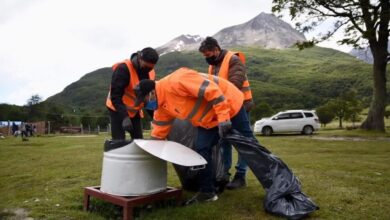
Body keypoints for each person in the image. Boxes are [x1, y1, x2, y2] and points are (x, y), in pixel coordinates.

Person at [134, 67, 257, 204]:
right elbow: (159, 130)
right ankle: (207, 192)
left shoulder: (177, 80)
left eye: (144, 101)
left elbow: (212, 90)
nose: (145, 105)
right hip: (209, 120)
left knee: (249, 144)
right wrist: (150, 150)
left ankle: (274, 181)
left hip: (230, 104)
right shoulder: (162, 106)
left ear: (151, 93)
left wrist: (224, 117)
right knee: (201, 149)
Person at [199, 37, 255, 189]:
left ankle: (241, 175)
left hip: (240, 105)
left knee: (243, 141)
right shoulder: (212, 66)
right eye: (204, 56)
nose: (207, 58)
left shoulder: (233, 60)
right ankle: (223, 174)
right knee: (224, 141)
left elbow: (234, 84)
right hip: (224, 107)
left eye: (208, 54)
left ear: (216, 49)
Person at [106, 47, 159, 140]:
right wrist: (125, 117)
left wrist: (156, 118)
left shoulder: (151, 73)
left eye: (150, 68)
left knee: (138, 140)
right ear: (139, 58)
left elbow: (149, 99)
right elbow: (115, 97)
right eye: (145, 67)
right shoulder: (123, 69)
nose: (147, 70)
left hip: (134, 111)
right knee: (119, 140)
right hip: (117, 109)